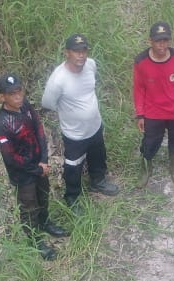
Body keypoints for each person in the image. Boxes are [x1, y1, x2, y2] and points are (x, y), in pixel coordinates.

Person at [0, 73, 68, 260]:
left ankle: (45, 223)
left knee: (43, 197)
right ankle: (34, 239)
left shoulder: (26, 106)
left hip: (39, 164)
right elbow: (10, 157)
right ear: (2, 97)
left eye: (20, 92)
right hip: (23, 174)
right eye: (12, 94)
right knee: (28, 207)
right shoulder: (1, 123)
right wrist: (36, 169)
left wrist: (44, 159)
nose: (18, 97)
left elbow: (39, 130)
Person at [42, 33, 121, 206]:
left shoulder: (90, 65)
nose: (81, 55)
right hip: (74, 133)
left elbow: (90, 88)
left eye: (84, 50)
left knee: (98, 155)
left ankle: (98, 181)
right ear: (67, 53)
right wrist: (70, 113)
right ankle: (72, 197)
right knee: (73, 166)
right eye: (76, 51)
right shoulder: (58, 80)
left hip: (95, 126)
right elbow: (47, 103)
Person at [133, 21, 174, 188]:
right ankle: (146, 167)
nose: (162, 44)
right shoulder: (141, 62)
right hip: (153, 111)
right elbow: (138, 89)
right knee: (150, 141)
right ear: (150, 41)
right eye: (158, 41)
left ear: (169, 41)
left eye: (165, 40)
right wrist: (140, 114)